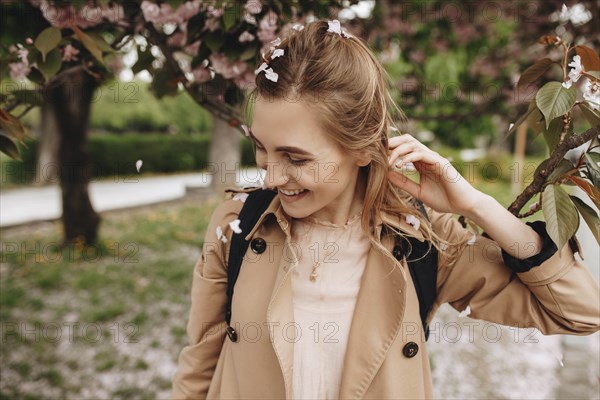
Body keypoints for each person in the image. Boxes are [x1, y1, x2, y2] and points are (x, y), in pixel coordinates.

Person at [171, 19, 600, 399]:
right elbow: (199, 364)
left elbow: (581, 313)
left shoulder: (420, 238)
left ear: (361, 148)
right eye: (261, 149)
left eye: (296, 159)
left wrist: (477, 204)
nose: (270, 177)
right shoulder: (237, 223)